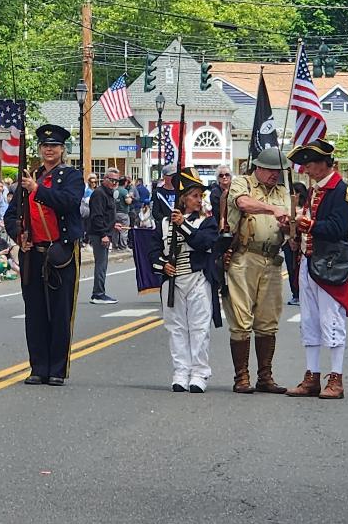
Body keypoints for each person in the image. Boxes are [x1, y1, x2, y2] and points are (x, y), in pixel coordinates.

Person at [284, 140, 348, 400]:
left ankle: (336, 378)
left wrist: (308, 225)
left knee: (331, 320)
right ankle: (312, 375)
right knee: (309, 321)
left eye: (310, 163)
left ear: (325, 164)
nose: (306, 169)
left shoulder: (343, 191)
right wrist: (297, 235)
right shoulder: (314, 191)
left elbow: (337, 228)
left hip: (330, 265)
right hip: (309, 262)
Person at [5, 124, 84, 387]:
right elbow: (11, 216)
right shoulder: (31, 177)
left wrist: (37, 190)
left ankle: (57, 369)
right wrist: (20, 234)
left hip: (60, 251)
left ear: (62, 150)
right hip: (34, 253)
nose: (49, 150)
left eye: (54, 146)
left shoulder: (71, 176)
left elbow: (69, 203)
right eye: (44, 146)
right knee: (35, 312)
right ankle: (38, 367)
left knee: (60, 312)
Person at [222, 147, 291, 394]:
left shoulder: (283, 192)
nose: (275, 175)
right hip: (244, 256)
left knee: (268, 320)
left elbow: (287, 223)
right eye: (271, 171)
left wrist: (288, 226)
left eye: (279, 171)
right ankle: (242, 376)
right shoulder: (243, 183)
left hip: (271, 258)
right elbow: (242, 203)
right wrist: (273, 210)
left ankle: (265, 376)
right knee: (241, 319)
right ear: (259, 168)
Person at [149, 168, 221, 393]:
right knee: (176, 327)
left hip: (198, 278)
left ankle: (199, 373)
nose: (199, 200)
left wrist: (183, 225)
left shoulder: (206, 222)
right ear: (183, 198)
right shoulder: (163, 223)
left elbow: (204, 243)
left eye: (201, 196)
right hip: (172, 281)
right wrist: (163, 265)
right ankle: (180, 371)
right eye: (195, 196)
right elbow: (151, 251)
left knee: (199, 328)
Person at [88, 168, 121, 303]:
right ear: (105, 179)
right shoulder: (99, 194)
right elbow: (97, 216)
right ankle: (98, 293)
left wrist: (113, 225)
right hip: (99, 234)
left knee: (103, 263)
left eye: (116, 181)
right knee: (101, 264)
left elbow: (106, 215)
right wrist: (103, 234)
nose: (114, 183)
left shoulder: (109, 194)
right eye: (111, 180)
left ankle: (99, 292)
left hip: (106, 232)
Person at [283, 181, 309, 306]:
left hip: (302, 244)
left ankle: (303, 293)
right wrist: (289, 239)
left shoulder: (306, 209)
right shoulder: (288, 208)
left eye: (294, 193)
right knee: (291, 269)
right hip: (289, 243)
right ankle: (295, 294)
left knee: (301, 270)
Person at [113, 177, 132, 250]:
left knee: (115, 230)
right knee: (124, 230)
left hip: (115, 213)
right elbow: (128, 201)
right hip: (123, 213)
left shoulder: (115, 190)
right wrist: (130, 198)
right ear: (125, 182)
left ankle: (115, 245)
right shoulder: (124, 191)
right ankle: (123, 246)